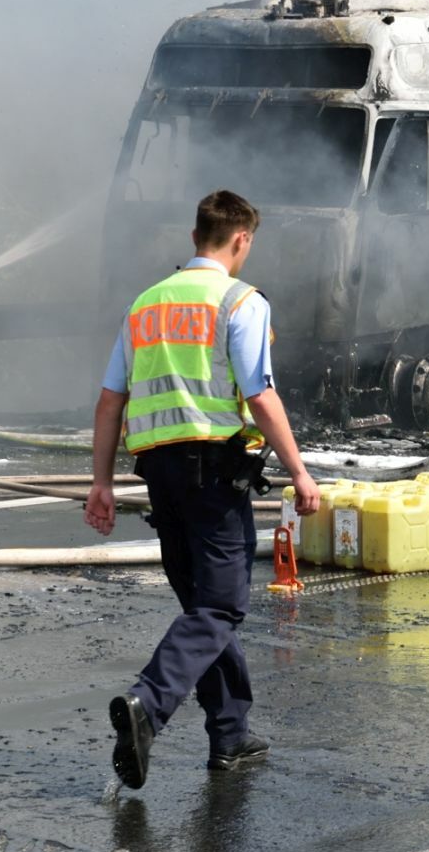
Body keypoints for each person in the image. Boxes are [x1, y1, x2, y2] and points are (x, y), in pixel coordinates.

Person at [85, 189, 320, 789]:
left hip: (159, 475)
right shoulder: (240, 300)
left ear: (195, 237)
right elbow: (259, 394)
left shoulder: (144, 304)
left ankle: (230, 734)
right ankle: (148, 702)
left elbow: (111, 400)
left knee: (202, 608)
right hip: (213, 473)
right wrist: (299, 471)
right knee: (220, 606)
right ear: (242, 240)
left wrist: (101, 483)